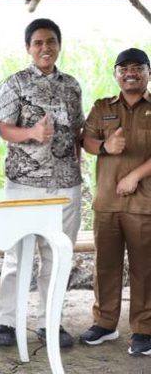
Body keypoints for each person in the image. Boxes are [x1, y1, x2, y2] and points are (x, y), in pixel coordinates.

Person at [0, 18, 84, 348]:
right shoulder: (14, 84)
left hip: (66, 184)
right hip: (24, 182)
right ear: (29, 48)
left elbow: (77, 131)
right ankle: (5, 321)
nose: (45, 48)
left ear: (59, 45)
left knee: (56, 255)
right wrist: (31, 133)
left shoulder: (72, 86)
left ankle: (51, 322)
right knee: (17, 253)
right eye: (38, 43)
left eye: (51, 42)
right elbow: (3, 129)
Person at [80, 48, 151, 356]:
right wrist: (106, 146)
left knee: (144, 268)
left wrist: (135, 175)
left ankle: (144, 328)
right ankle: (105, 323)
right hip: (106, 203)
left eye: (138, 67)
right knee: (105, 266)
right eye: (124, 68)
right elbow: (86, 142)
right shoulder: (101, 107)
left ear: (149, 73)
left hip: (144, 204)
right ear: (116, 74)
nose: (130, 72)